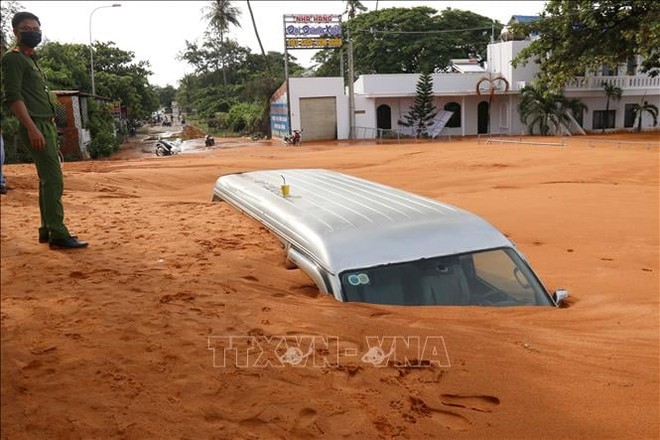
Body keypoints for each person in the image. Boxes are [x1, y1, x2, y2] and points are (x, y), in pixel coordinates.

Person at [1, 12, 87, 249]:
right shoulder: (13, 59)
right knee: (54, 180)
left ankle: (47, 230)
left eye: (36, 27)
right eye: (27, 28)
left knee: (46, 181)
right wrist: (32, 129)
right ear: (16, 32)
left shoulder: (30, 59)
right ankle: (58, 234)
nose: (34, 31)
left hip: (45, 124)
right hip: (36, 125)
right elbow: (14, 98)